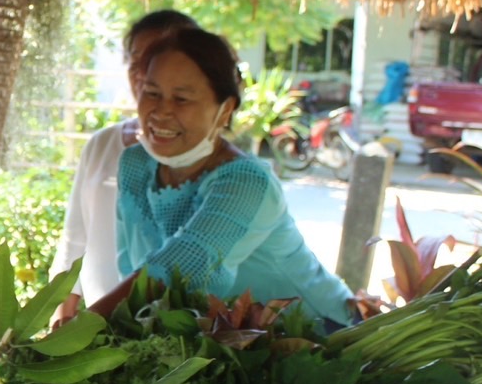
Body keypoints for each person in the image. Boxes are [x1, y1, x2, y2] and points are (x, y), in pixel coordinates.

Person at [89, 26, 354, 328]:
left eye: (182, 99)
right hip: (226, 344)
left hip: (318, 340)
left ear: (225, 109)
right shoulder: (135, 164)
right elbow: (133, 266)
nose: (161, 111)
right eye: (152, 93)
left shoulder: (247, 183)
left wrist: (81, 330)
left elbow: (180, 269)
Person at [52, 9, 198, 321]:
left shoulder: (213, 160)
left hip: (176, 335)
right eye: (137, 58)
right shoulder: (102, 145)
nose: (147, 71)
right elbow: (75, 238)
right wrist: (60, 314)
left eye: (161, 57)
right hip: (96, 330)